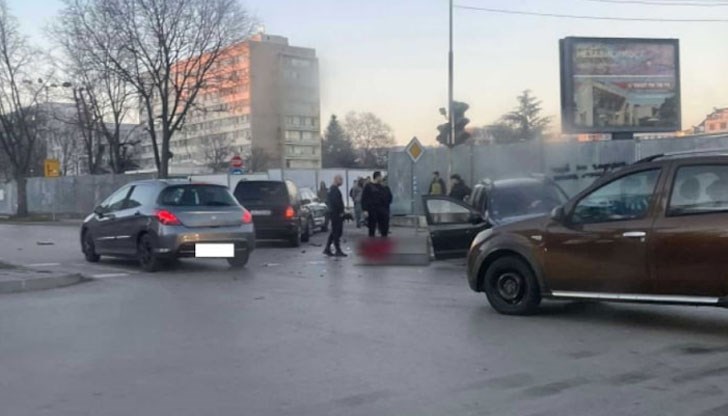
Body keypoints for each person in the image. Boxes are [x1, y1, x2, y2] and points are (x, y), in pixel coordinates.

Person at [362, 171, 393, 237]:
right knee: (372, 227)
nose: (381, 178)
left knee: (384, 227)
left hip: (383, 209)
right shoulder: (369, 186)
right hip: (372, 209)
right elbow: (364, 198)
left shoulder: (384, 187)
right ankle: (372, 240)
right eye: (380, 176)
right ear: (377, 177)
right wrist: (365, 209)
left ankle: (383, 239)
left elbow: (389, 197)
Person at [323, 175, 347, 257]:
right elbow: (336, 202)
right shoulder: (334, 190)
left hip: (334, 213)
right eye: (341, 180)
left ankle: (327, 248)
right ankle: (337, 250)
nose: (342, 182)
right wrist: (341, 211)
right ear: (336, 180)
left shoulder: (332, 189)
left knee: (334, 231)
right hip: (336, 214)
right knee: (337, 231)